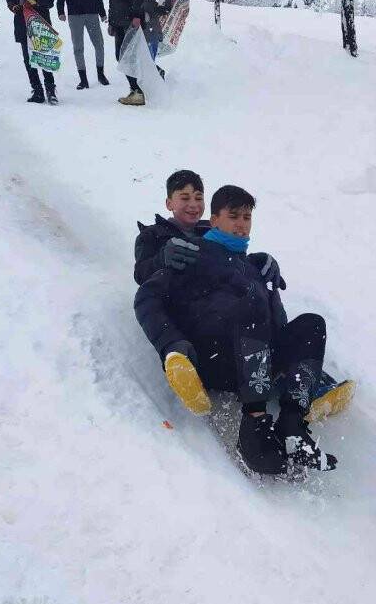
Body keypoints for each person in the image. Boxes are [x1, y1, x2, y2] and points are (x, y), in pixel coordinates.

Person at [134, 185, 339, 476]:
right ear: (214, 220)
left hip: (257, 359)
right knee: (250, 303)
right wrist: (172, 344)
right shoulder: (192, 253)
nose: (242, 224)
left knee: (312, 324)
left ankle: (292, 427)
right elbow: (146, 297)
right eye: (234, 217)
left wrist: (300, 364)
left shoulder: (254, 267)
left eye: (247, 217)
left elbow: (276, 324)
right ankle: (254, 428)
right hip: (217, 357)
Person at [134, 169, 210, 286]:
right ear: (169, 204)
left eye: (198, 198)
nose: (193, 204)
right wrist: (162, 258)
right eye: (185, 198)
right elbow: (141, 275)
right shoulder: (152, 235)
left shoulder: (212, 232)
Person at [6, 0, 58, 105]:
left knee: (44, 57)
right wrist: (14, 6)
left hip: (41, 22)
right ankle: (37, 91)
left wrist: (36, 2)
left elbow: (50, 2)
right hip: (22, 22)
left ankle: (50, 90)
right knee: (28, 59)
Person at [55, 0, 109, 90]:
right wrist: (60, 10)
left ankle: (101, 74)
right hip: (74, 14)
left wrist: (102, 12)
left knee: (99, 44)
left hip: (92, 12)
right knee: (78, 48)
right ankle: (83, 79)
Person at [107, 0, 148, 106]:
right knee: (121, 55)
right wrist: (111, 21)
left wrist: (137, 15)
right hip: (118, 19)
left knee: (130, 55)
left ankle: (138, 91)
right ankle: (138, 89)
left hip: (131, 18)